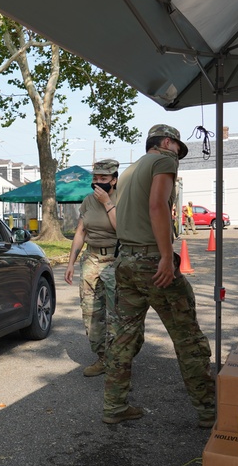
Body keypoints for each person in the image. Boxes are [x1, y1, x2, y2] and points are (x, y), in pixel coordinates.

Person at [103, 124, 216, 428]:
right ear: (167, 142)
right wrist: (167, 256)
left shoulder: (128, 171)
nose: (180, 154)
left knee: (122, 336)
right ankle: (208, 411)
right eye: (179, 147)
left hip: (125, 260)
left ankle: (114, 405)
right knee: (188, 337)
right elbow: (157, 206)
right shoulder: (164, 161)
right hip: (152, 260)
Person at [64, 159, 119, 377]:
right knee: (91, 312)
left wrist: (107, 202)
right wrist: (71, 263)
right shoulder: (87, 201)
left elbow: (122, 229)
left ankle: (119, 362)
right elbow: (80, 232)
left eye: (103, 179)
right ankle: (103, 357)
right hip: (92, 258)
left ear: (114, 180)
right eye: (95, 178)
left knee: (116, 315)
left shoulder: (123, 198)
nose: (98, 182)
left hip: (116, 260)